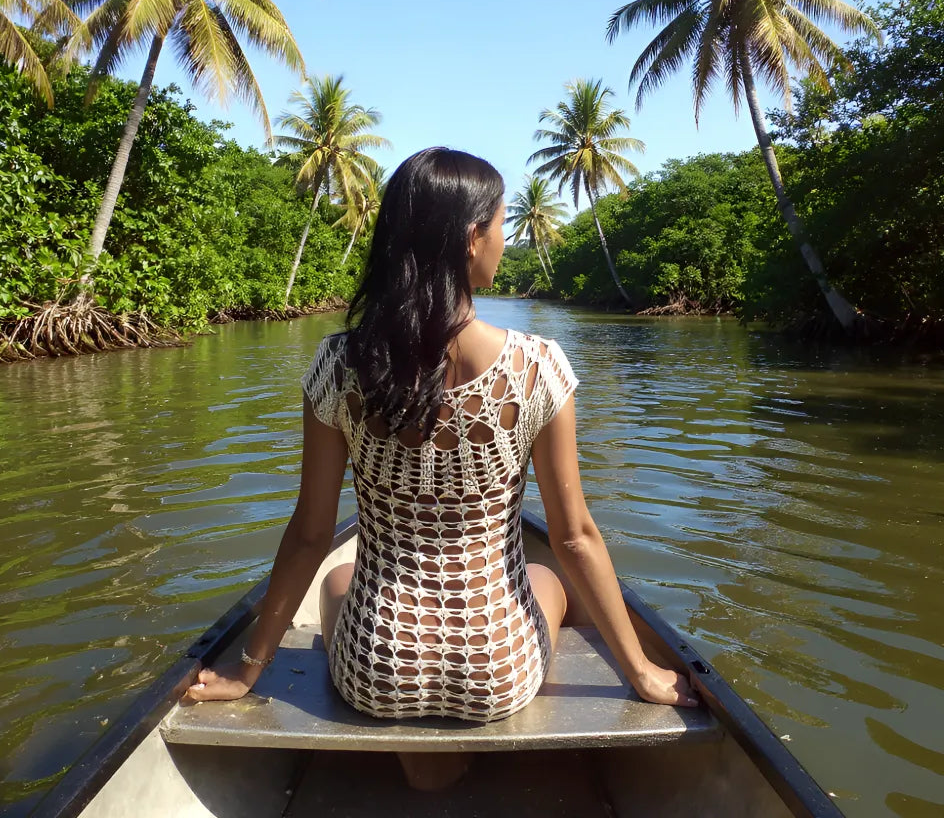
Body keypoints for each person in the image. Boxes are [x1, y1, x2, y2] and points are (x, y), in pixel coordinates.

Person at [185, 147, 699, 788]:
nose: (504, 242)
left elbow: (310, 532)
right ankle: (464, 753)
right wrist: (644, 673)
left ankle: (426, 764)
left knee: (337, 576)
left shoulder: (338, 365)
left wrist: (245, 670)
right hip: (495, 670)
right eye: (502, 224)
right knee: (548, 572)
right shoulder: (538, 367)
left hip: (375, 669)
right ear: (470, 238)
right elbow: (574, 537)